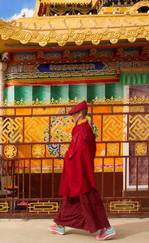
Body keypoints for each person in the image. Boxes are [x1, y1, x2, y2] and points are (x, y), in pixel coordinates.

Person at [48, 100, 115, 240]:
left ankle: (107, 228)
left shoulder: (81, 129)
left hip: (79, 172)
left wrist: (69, 158)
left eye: (73, 114)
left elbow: (77, 152)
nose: (72, 117)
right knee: (70, 199)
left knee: (89, 198)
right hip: (79, 170)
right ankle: (60, 224)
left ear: (79, 114)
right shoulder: (86, 129)